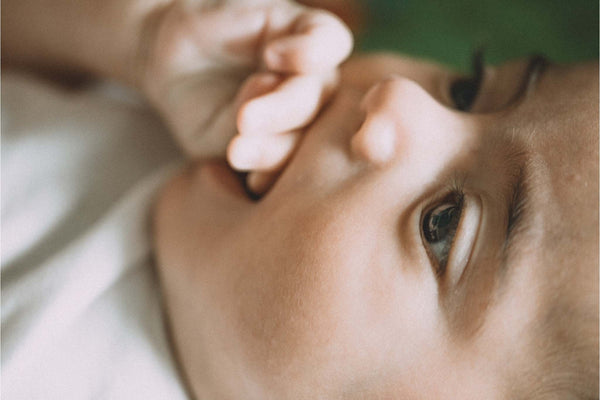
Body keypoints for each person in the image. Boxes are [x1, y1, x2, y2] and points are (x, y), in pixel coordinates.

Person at [2, 1, 598, 400]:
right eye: (467, 89)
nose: (398, 98)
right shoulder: (176, 117)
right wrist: (143, 38)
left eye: (444, 224)